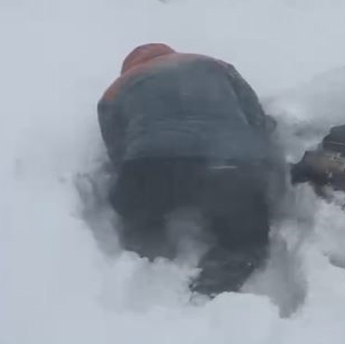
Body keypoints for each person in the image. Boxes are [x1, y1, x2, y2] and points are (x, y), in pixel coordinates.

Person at [98, 43, 281, 298]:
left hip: (150, 166)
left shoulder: (116, 90)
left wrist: (136, 186)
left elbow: (117, 149)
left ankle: (147, 249)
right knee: (244, 230)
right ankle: (226, 270)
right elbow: (254, 118)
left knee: (137, 210)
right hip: (225, 163)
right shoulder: (215, 66)